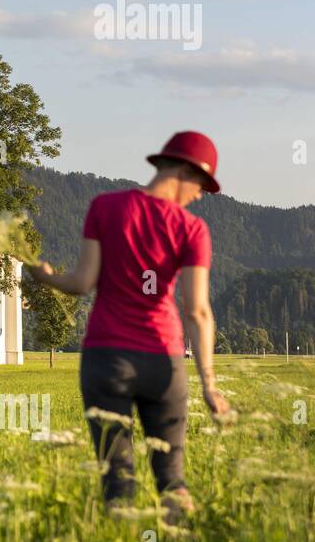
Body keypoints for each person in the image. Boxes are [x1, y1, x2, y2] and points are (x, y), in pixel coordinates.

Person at [26, 131, 232, 521]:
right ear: (185, 171)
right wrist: (209, 383)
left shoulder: (105, 207)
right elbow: (197, 311)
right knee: (171, 477)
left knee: (117, 480)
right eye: (202, 184)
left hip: (107, 360)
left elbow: (83, 282)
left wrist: (47, 277)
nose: (202, 194)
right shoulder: (191, 230)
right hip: (163, 363)